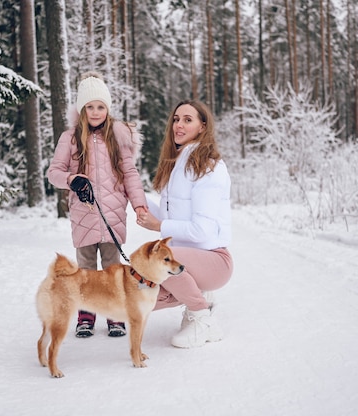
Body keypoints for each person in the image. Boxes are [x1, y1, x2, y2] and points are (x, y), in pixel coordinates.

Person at [47, 72, 147, 338]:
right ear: (81, 109)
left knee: (114, 270)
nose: (95, 112)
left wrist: (139, 205)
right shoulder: (69, 138)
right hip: (84, 214)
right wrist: (71, 179)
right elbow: (53, 172)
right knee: (86, 270)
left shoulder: (118, 137)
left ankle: (115, 316)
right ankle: (86, 316)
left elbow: (130, 175)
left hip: (112, 216)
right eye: (89, 107)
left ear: (108, 108)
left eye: (100, 106)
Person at [136, 99, 233, 348]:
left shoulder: (209, 167)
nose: (179, 125)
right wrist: (133, 193)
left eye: (188, 120)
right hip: (187, 258)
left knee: (157, 259)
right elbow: (171, 218)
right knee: (137, 295)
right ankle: (197, 304)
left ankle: (203, 318)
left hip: (214, 260)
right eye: (176, 119)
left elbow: (202, 230)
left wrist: (159, 226)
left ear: (202, 126)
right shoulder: (178, 163)